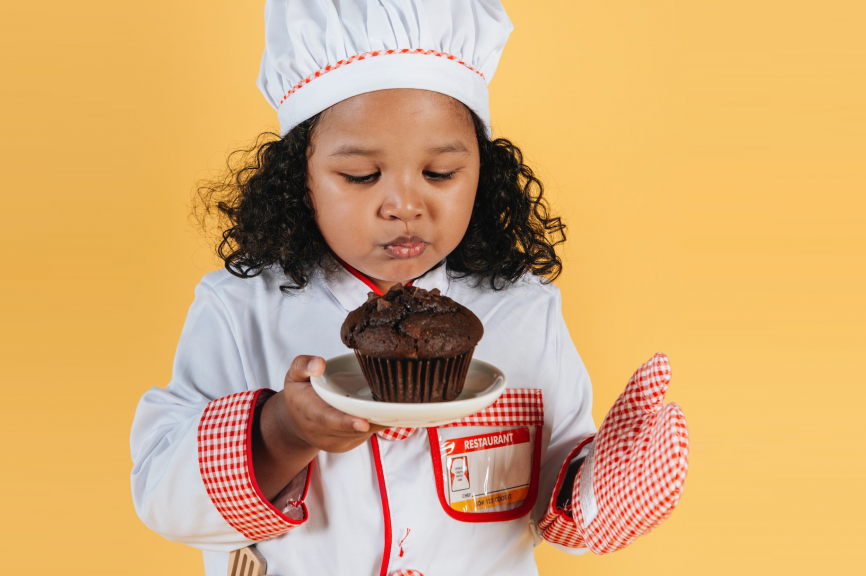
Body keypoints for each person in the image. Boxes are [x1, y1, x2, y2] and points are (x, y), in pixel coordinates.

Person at [129, 1, 688, 575]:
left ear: (484, 173)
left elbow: (556, 500)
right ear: (300, 179)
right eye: (361, 176)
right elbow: (160, 496)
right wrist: (283, 432)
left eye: (440, 174)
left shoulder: (525, 310)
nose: (404, 206)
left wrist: (609, 481)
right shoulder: (238, 310)